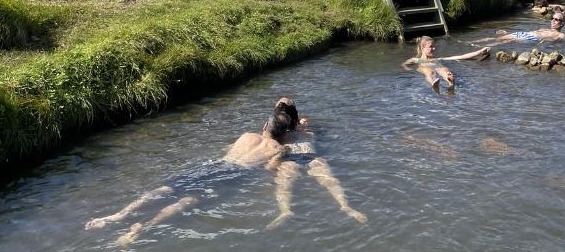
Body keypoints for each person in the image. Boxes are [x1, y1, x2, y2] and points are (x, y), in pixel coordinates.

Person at [85, 98, 366, 244]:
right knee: (187, 202)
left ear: (263, 126)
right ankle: (138, 230)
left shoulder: (245, 136)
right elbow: (271, 170)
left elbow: (226, 153)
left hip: (213, 167)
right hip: (233, 176)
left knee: (164, 190)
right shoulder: (278, 149)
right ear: (284, 133)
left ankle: (117, 215)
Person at [402, 35, 491, 91]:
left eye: (434, 46)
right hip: (425, 68)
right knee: (429, 72)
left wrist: (480, 51)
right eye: (431, 47)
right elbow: (404, 64)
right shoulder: (416, 60)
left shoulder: (437, 59)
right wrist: (408, 69)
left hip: (436, 65)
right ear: (422, 48)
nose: (434, 49)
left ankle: (450, 82)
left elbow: (461, 56)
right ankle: (434, 84)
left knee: (444, 70)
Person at [472, 11, 565, 45]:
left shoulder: (561, 34)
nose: (553, 20)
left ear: (562, 23)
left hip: (532, 39)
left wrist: (546, 40)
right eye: (552, 18)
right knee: (499, 39)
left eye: (556, 19)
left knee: (503, 41)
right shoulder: (544, 28)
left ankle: (481, 47)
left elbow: (556, 39)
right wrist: (508, 32)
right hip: (524, 34)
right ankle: (471, 43)